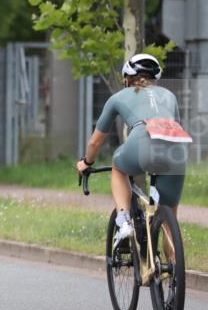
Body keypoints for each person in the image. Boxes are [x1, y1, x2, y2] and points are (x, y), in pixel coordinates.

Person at [76, 54, 189, 267]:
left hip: (141, 141)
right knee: (169, 218)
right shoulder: (169, 96)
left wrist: (86, 163)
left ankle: (124, 220)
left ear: (127, 78)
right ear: (155, 78)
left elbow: (95, 142)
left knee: (119, 167)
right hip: (177, 149)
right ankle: (175, 271)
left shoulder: (119, 97)